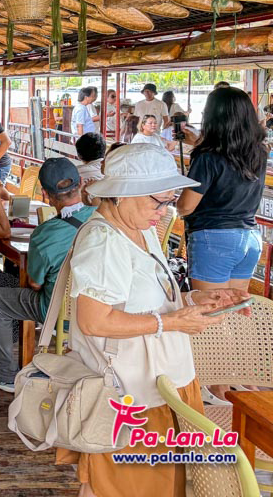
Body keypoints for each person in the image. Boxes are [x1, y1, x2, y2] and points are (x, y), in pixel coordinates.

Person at [57, 143, 250, 497]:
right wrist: (173, 323)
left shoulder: (140, 229)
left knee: (156, 485)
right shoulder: (103, 242)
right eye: (157, 201)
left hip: (161, 385)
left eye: (169, 200)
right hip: (132, 395)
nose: (164, 211)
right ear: (121, 195)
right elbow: (95, 322)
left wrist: (196, 299)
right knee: (124, 487)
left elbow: (151, 299)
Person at [0, 158, 96, 392]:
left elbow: (34, 283)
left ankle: (3, 374)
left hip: (57, 308)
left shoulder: (45, 233)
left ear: (45, 193)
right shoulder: (102, 217)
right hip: (96, 307)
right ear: (81, 183)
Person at [178, 87, 265, 294]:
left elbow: (186, 207)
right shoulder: (259, 152)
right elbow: (229, 155)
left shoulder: (207, 157)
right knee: (233, 313)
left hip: (214, 238)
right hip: (250, 237)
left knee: (209, 314)